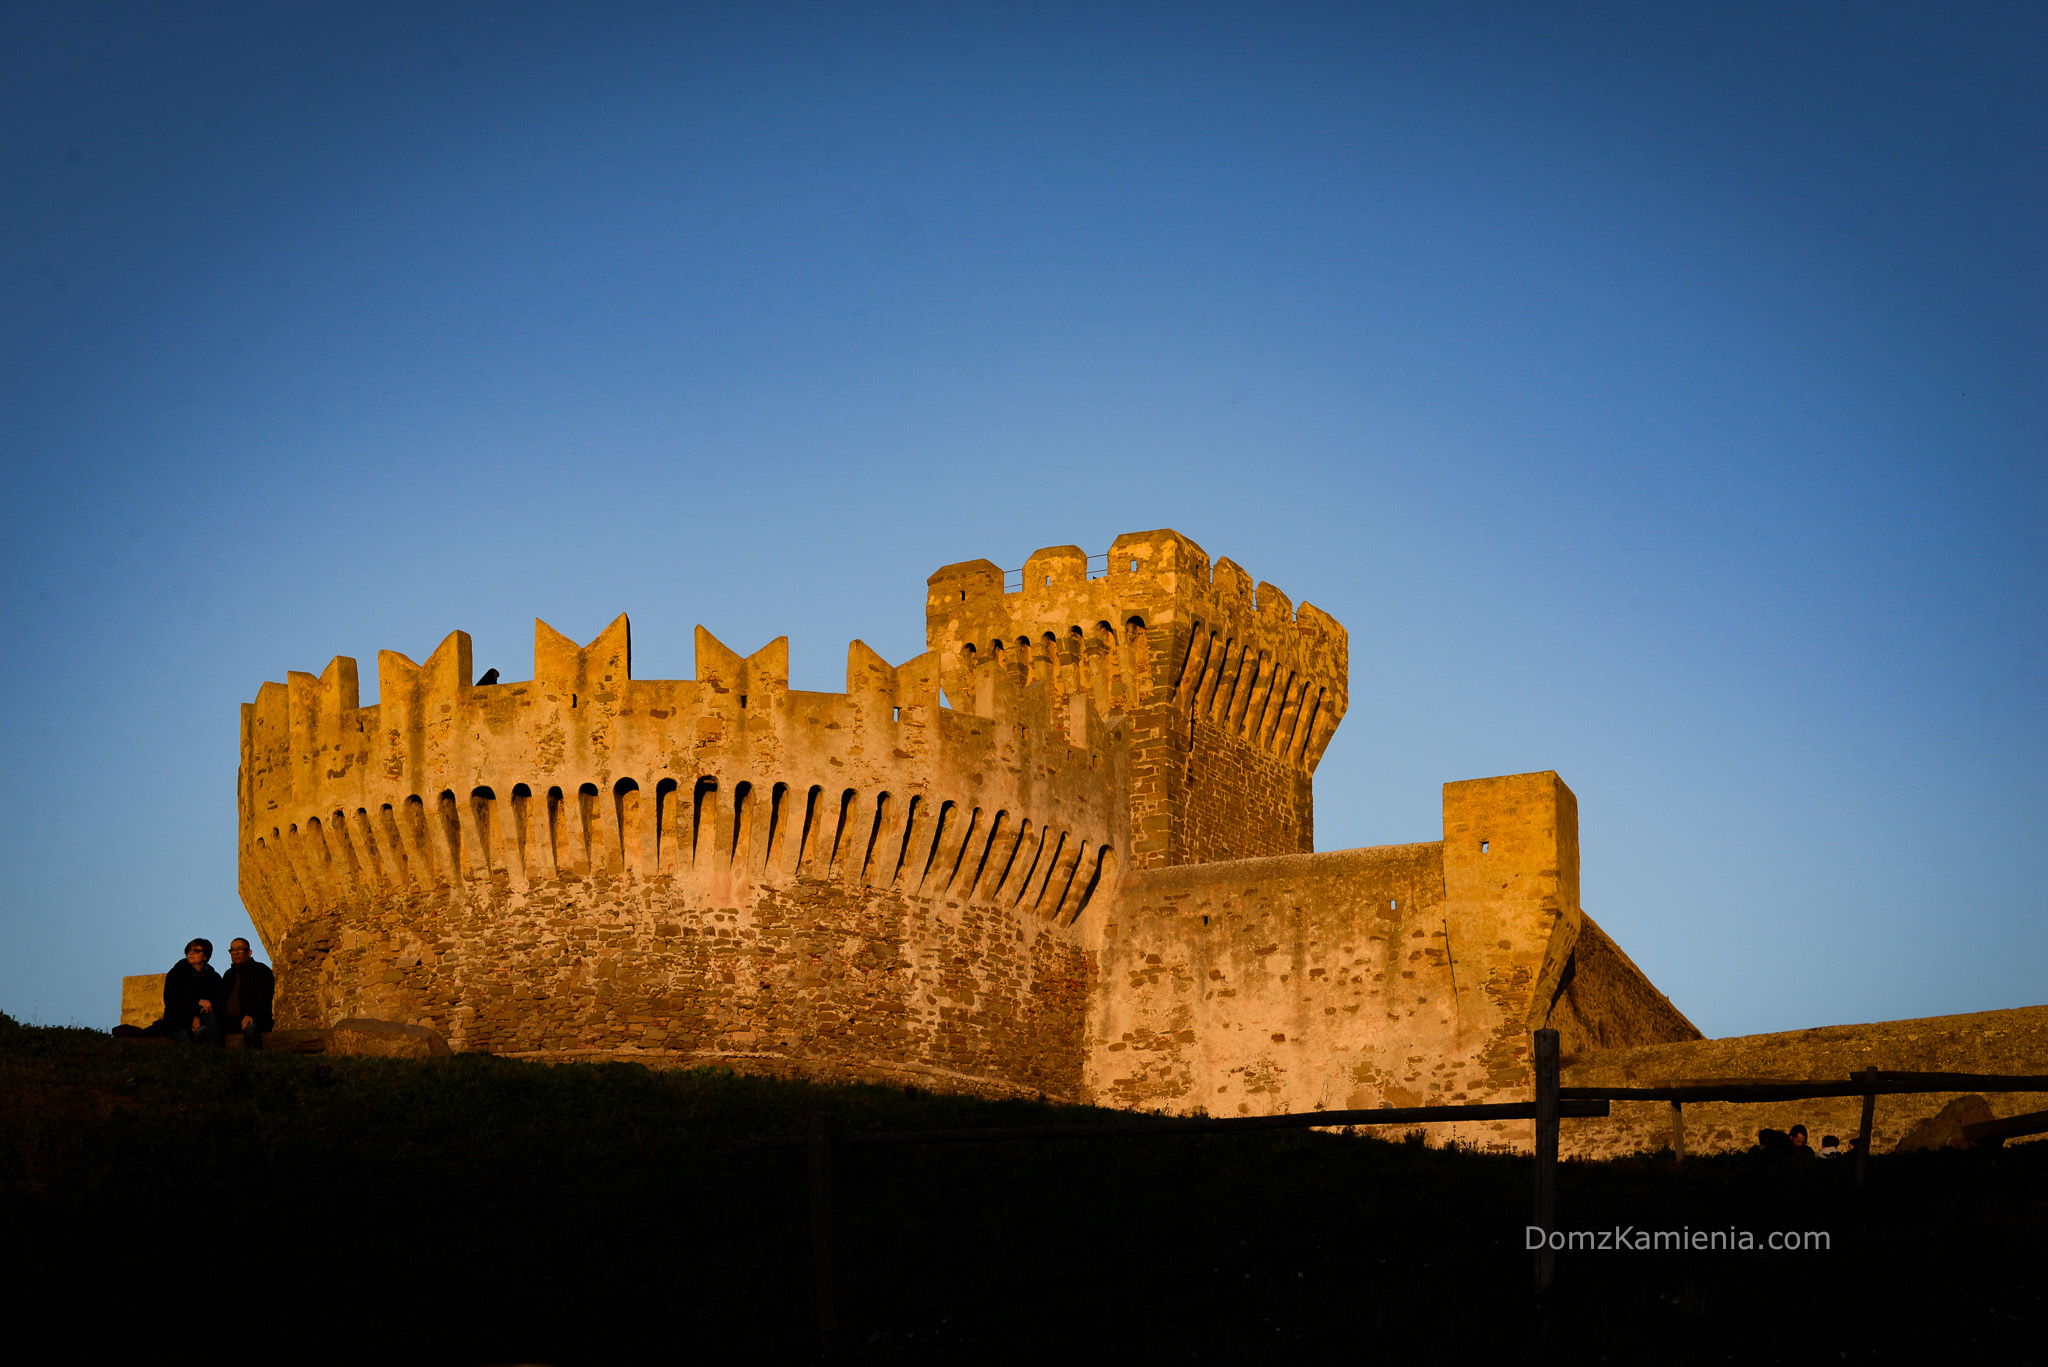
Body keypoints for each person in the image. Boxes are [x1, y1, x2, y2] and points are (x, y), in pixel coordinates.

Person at [164, 938, 224, 1045]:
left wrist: (197, 1016)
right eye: (189, 950)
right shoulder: (176, 974)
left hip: (201, 1018)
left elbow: (216, 1000)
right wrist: (197, 1002)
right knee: (187, 1046)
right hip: (178, 1021)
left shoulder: (213, 977)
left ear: (205, 956)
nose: (191, 953)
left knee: (212, 1018)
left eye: (196, 951)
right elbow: (170, 1000)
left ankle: (216, 1054)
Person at [218, 937, 275, 1049]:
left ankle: (254, 1061)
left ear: (249, 952)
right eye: (233, 950)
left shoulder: (260, 970)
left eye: (240, 949)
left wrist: (251, 1014)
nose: (236, 953)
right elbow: (219, 997)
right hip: (230, 1022)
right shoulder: (229, 975)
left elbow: (264, 996)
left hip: (257, 1019)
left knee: (250, 1029)